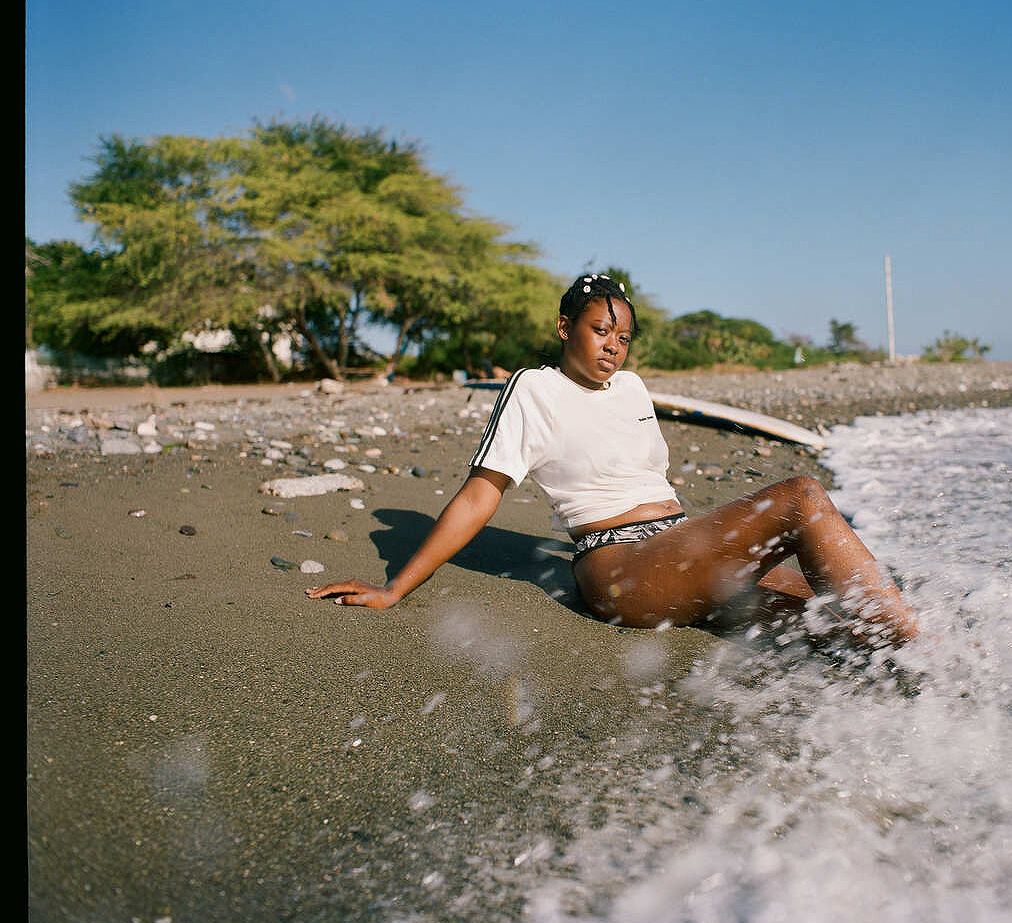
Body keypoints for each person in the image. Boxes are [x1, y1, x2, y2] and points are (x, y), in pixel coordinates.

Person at [306, 275, 918, 648]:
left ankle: (921, 686)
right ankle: (925, 657)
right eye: (600, 330)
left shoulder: (631, 388)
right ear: (565, 326)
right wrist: (395, 588)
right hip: (621, 566)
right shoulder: (534, 389)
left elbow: (644, 478)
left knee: (832, 614)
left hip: (676, 544)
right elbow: (479, 497)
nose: (613, 347)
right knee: (803, 498)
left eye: (623, 337)